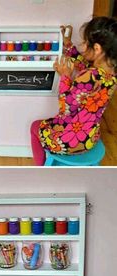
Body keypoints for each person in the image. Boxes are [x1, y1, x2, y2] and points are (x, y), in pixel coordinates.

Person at [31, 17, 117, 165]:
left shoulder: (88, 76)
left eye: (85, 43)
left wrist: (65, 76)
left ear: (97, 49)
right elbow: (84, 65)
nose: (82, 46)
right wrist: (69, 46)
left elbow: (66, 108)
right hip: (91, 137)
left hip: (71, 141)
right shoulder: (111, 76)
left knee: (35, 126)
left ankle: (40, 169)